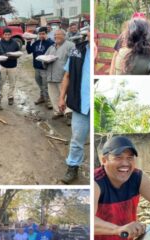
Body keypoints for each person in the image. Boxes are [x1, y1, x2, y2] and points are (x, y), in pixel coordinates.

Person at [58, 29, 90, 184]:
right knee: (77, 139)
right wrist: (61, 97)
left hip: (101, 106)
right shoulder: (78, 51)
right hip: (80, 104)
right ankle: (72, 168)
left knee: (106, 141)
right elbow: (67, 75)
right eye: (91, 31)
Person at [44, 29, 75, 122]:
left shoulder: (70, 45)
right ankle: (58, 112)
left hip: (63, 76)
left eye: (58, 35)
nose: (56, 37)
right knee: (53, 96)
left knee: (65, 96)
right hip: (51, 76)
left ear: (64, 35)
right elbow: (45, 57)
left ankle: (68, 115)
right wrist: (45, 61)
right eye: (55, 35)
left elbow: (74, 60)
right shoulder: (51, 47)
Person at [26, 27, 54, 108]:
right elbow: (29, 51)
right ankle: (42, 97)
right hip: (37, 67)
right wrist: (28, 42)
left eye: (43, 34)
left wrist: (47, 39)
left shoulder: (50, 43)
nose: (41, 35)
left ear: (46, 34)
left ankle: (48, 101)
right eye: (40, 34)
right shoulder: (36, 43)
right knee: (40, 84)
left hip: (45, 68)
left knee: (45, 85)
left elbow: (53, 49)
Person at [0, 28, 20, 105]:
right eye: (5, 34)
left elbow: (18, 53)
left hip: (13, 66)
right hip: (3, 66)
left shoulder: (15, 43)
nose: (7, 36)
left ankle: (10, 97)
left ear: (11, 35)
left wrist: (15, 56)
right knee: (1, 82)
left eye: (9, 34)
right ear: (3, 35)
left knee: (12, 83)